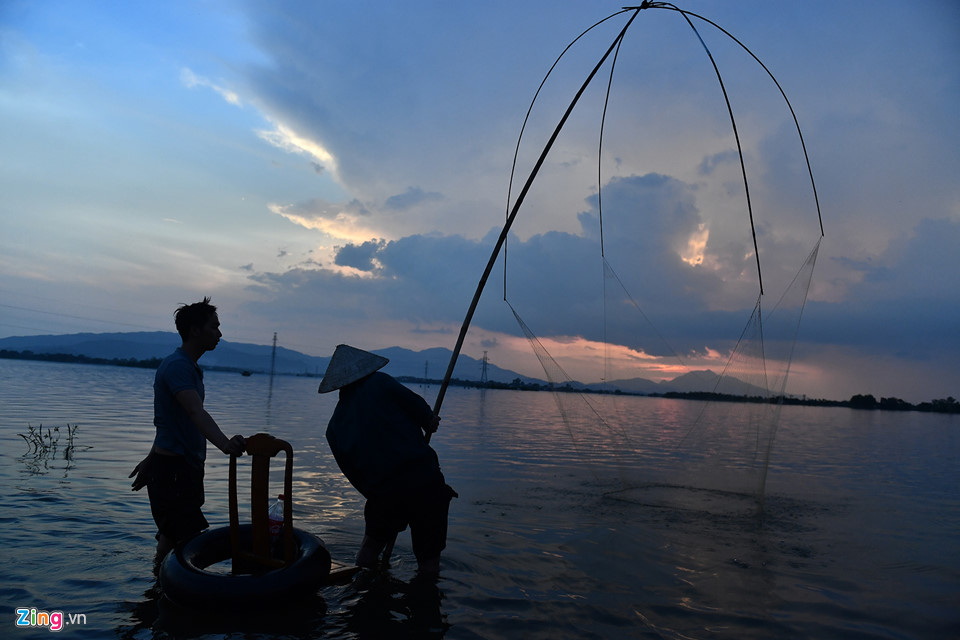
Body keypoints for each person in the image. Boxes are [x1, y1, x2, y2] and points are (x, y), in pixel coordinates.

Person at [319, 344, 457, 575]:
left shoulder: (333, 428)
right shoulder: (380, 382)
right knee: (428, 558)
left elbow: (354, 475)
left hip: (382, 492)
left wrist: (378, 494)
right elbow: (421, 411)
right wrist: (429, 421)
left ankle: (363, 587)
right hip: (423, 481)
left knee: (370, 547)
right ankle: (426, 601)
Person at [130, 297, 246, 562]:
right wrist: (225, 444)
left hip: (180, 466)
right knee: (184, 539)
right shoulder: (178, 367)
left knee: (173, 537)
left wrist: (151, 458)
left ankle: (157, 590)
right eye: (214, 327)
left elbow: (170, 421)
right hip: (173, 472)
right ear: (195, 330)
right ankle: (166, 591)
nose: (219, 333)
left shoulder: (186, 366)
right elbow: (195, 412)